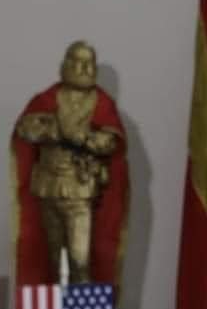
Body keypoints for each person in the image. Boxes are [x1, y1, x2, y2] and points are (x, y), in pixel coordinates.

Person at [13, 41, 128, 288]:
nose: (85, 69)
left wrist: (81, 137)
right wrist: (56, 130)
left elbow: (110, 142)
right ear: (65, 65)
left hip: (81, 189)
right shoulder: (45, 99)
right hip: (48, 185)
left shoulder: (102, 103)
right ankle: (55, 308)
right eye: (79, 62)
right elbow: (26, 128)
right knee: (53, 261)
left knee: (80, 260)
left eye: (90, 63)